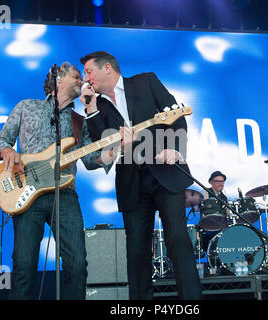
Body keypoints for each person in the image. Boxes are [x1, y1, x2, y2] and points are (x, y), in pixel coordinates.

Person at [79, 51, 202, 300]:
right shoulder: (97, 106)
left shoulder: (146, 81)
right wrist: (90, 108)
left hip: (164, 173)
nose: (86, 78)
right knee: (136, 252)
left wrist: (175, 150)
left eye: (89, 71)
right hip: (131, 181)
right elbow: (102, 144)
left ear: (107, 69)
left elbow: (176, 117)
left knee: (178, 239)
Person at [0, 62, 109, 300]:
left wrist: (114, 150)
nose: (81, 80)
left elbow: (91, 159)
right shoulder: (27, 107)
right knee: (23, 267)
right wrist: (7, 152)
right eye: (76, 76)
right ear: (58, 80)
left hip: (64, 194)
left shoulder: (79, 120)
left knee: (76, 264)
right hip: (25, 195)